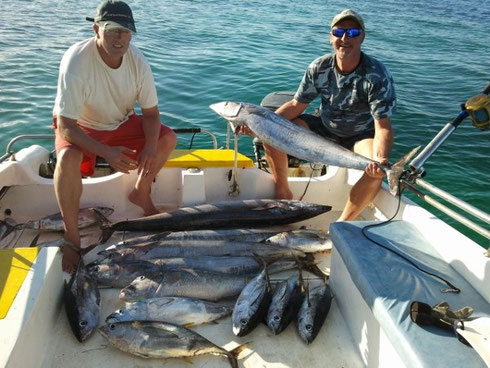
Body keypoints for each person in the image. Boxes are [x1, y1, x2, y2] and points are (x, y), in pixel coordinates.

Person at [53, 0, 177, 273]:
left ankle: (140, 192)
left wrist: (149, 149)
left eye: (126, 31)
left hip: (122, 122)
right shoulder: (77, 61)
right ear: (96, 29)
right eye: (112, 30)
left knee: (166, 139)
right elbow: (65, 126)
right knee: (67, 160)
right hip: (81, 127)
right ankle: (71, 237)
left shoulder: (138, 62)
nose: (120, 38)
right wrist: (106, 152)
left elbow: (152, 114)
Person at [262, 9, 396, 222]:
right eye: (338, 32)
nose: (345, 38)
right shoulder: (319, 67)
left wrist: (380, 158)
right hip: (324, 126)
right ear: (330, 37)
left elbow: (383, 126)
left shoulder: (376, 75)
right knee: (271, 135)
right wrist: (263, 124)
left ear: (362, 37)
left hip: (361, 134)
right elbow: (297, 105)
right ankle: (283, 192)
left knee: (375, 171)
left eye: (352, 32)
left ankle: (343, 223)